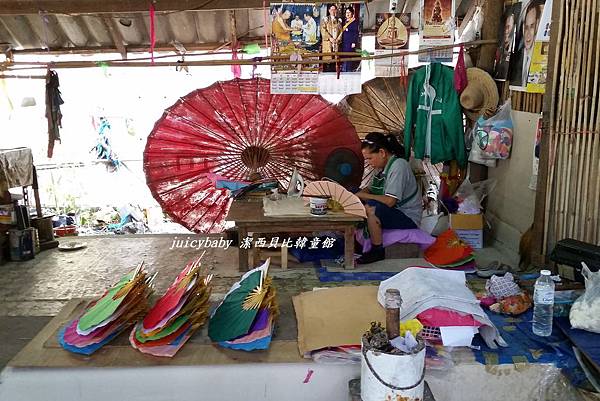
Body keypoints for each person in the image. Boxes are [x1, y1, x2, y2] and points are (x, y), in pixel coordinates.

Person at [356, 132, 422, 264]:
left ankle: (377, 250)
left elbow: (390, 201)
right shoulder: (380, 168)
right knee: (353, 192)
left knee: (373, 207)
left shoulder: (399, 166)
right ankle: (356, 240)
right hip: (392, 212)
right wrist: (357, 194)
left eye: (370, 158)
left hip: (407, 216)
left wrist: (362, 196)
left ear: (382, 153)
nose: (369, 163)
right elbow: (369, 189)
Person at [509, 1, 543, 86]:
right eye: (526, 27)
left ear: (537, 25)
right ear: (523, 27)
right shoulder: (516, 58)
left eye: (532, 26)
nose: (528, 34)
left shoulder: (539, 56)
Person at [321, 4, 342, 72]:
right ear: (329, 10)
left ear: (336, 10)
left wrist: (338, 39)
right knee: (328, 59)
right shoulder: (325, 19)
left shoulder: (339, 20)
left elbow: (341, 31)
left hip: (336, 43)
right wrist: (330, 38)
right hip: (328, 42)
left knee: (335, 60)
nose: (333, 11)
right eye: (331, 9)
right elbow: (323, 30)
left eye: (334, 9)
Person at [340, 7, 360, 72]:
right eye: (346, 12)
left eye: (349, 12)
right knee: (344, 56)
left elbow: (356, 33)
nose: (347, 14)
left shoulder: (354, 22)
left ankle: (348, 70)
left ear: (352, 13)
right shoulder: (344, 22)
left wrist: (354, 42)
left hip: (350, 42)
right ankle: (344, 69)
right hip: (344, 42)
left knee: (349, 56)